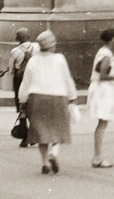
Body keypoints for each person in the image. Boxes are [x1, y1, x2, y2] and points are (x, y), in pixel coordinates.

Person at [18, 29, 79, 174]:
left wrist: (22, 100)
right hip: (58, 97)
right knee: (60, 130)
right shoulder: (60, 59)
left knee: (41, 133)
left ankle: (45, 162)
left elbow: (26, 82)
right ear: (52, 45)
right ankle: (54, 153)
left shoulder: (33, 60)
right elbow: (67, 79)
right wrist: (72, 96)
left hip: (37, 98)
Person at [85, 29, 114, 169]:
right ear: (111, 38)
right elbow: (103, 76)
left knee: (102, 123)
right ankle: (97, 157)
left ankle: (97, 157)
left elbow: (101, 72)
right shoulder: (107, 54)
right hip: (103, 90)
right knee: (103, 123)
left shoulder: (103, 52)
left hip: (100, 89)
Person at [8, 27, 37, 112]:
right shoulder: (35, 48)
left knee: (19, 94)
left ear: (17, 39)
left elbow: (11, 69)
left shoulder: (15, 51)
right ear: (29, 36)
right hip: (32, 75)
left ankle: (21, 114)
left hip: (20, 77)